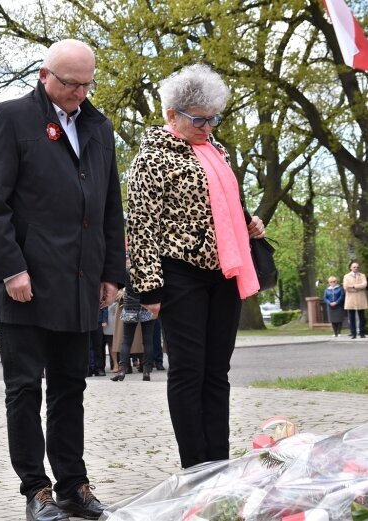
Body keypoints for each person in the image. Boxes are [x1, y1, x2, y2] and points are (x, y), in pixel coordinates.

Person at [0, 39, 125, 521]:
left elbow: (109, 209)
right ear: (44, 75)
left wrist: (112, 272)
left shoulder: (98, 129)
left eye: (87, 84)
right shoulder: (10, 118)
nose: (79, 93)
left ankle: (73, 485)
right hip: (26, 283)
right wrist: (11, 267)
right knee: (24, 389)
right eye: (70, 83)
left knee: (70, 387)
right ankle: (35, 490)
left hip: (80, 282)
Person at [126, 64, 266, 469]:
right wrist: (149, 288)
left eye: (213, 117)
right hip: (180, 274)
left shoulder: (216, 150)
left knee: (216, 371)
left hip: (223, 272)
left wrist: (248, 221)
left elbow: (222, 208)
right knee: (188, 371)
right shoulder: (151, 158)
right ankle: (195, 467)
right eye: (199, 119)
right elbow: (141, 224)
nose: (208, 126)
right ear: (172, 114)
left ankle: (218, 463)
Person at [111, 259, 157, 382]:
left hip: (130, 307)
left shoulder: (126, 271)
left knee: (126, 341)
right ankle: (146, 371)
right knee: (148, 341)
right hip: (146, 306)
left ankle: (122, 370)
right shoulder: (149, 270)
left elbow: (122, 287)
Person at [343, 261, 367, 338]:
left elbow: (364, 284)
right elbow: (346, 287)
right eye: (354, 267)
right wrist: (358, 288)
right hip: (350, 299)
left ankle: (362, 333)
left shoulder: (362, 275)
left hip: (360, 298)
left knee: (361, 317)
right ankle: (353, 333)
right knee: (351, 317)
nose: (356, 268)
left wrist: (353, 286)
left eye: (357, 267)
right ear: (351, 268)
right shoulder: (346, 276)